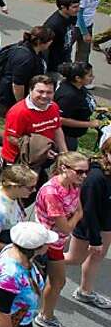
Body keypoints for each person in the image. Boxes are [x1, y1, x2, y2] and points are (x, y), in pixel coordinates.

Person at [33, 151, 89, 327]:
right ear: (64, 168)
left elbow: (77, 207)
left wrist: (75, 216)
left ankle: (43, 314)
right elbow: (65, 225)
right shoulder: (52, 192)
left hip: (56, 242)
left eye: (85, 172)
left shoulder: (73, 184)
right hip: (46, 244)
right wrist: (78, 217)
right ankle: (44, 316)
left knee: (54, 281)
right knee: (54, 282)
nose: (84, 176)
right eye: (79, 172)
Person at [0, 27, 56, 153]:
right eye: (50, 41)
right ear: (42, 42)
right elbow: (17, 84)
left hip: (4, 90)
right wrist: (21, 103)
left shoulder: (24, 48)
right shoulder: (25, 57)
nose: (51, 44)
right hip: (7, 94)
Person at [67, 130, 111, 310]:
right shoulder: (95, 178)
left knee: (97, 257)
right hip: (88, 225)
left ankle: (85, 291)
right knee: (74, 258)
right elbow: (89, 210)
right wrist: (94, 238)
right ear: (106, 153)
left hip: (107, 223)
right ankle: (37, 261)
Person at [2, 75, 66, 179]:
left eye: (49, 92)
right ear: (30, 90)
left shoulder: (53, 107)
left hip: (41, 160)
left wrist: (64, 154)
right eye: (40, 91)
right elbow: (11, 137)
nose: (45, 96)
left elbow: (57, 129)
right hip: (18, 162)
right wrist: (39, 149)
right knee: (19, 193)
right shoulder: (18, 112)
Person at [56, 62, 98, 151]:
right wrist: (89, 124)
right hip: (66, 136)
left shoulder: (79, 87)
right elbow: (60, 119)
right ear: (78, 78)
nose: (93, 77)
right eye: (90, 75)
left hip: (74, 135)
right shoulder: (68, 96)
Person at [43, 0, 82, 73]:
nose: (78, 9)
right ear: (63, 7)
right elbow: (44, 48)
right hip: (54, 64)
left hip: (65, 57)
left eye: (78, 6)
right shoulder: (53, 25)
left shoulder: (72, 16)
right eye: (74, 7)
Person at [74, 0, 107, 64]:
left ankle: (80, 72)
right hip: (77, 26)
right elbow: (79, 15)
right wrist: (85, 33)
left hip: (88, 24)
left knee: (84, 52)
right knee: (66, 50)